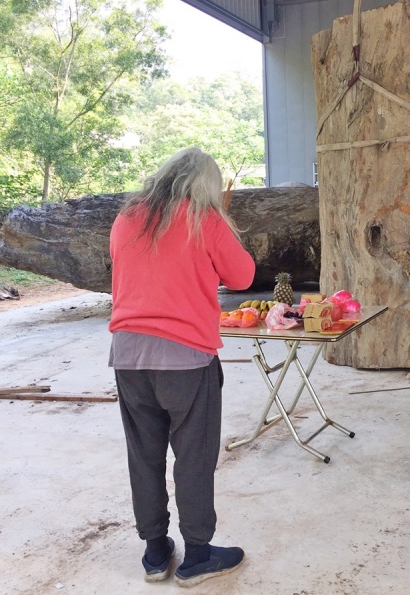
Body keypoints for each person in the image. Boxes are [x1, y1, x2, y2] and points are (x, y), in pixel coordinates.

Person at [108, 147, 255, 587]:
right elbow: (243, 276)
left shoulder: (127, 218)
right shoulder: (203, 219)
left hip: (128, 354)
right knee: (193, 457)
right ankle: (198, 556)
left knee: (144, 455)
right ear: (205, 185)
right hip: (187, 358)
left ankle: (155, 552)